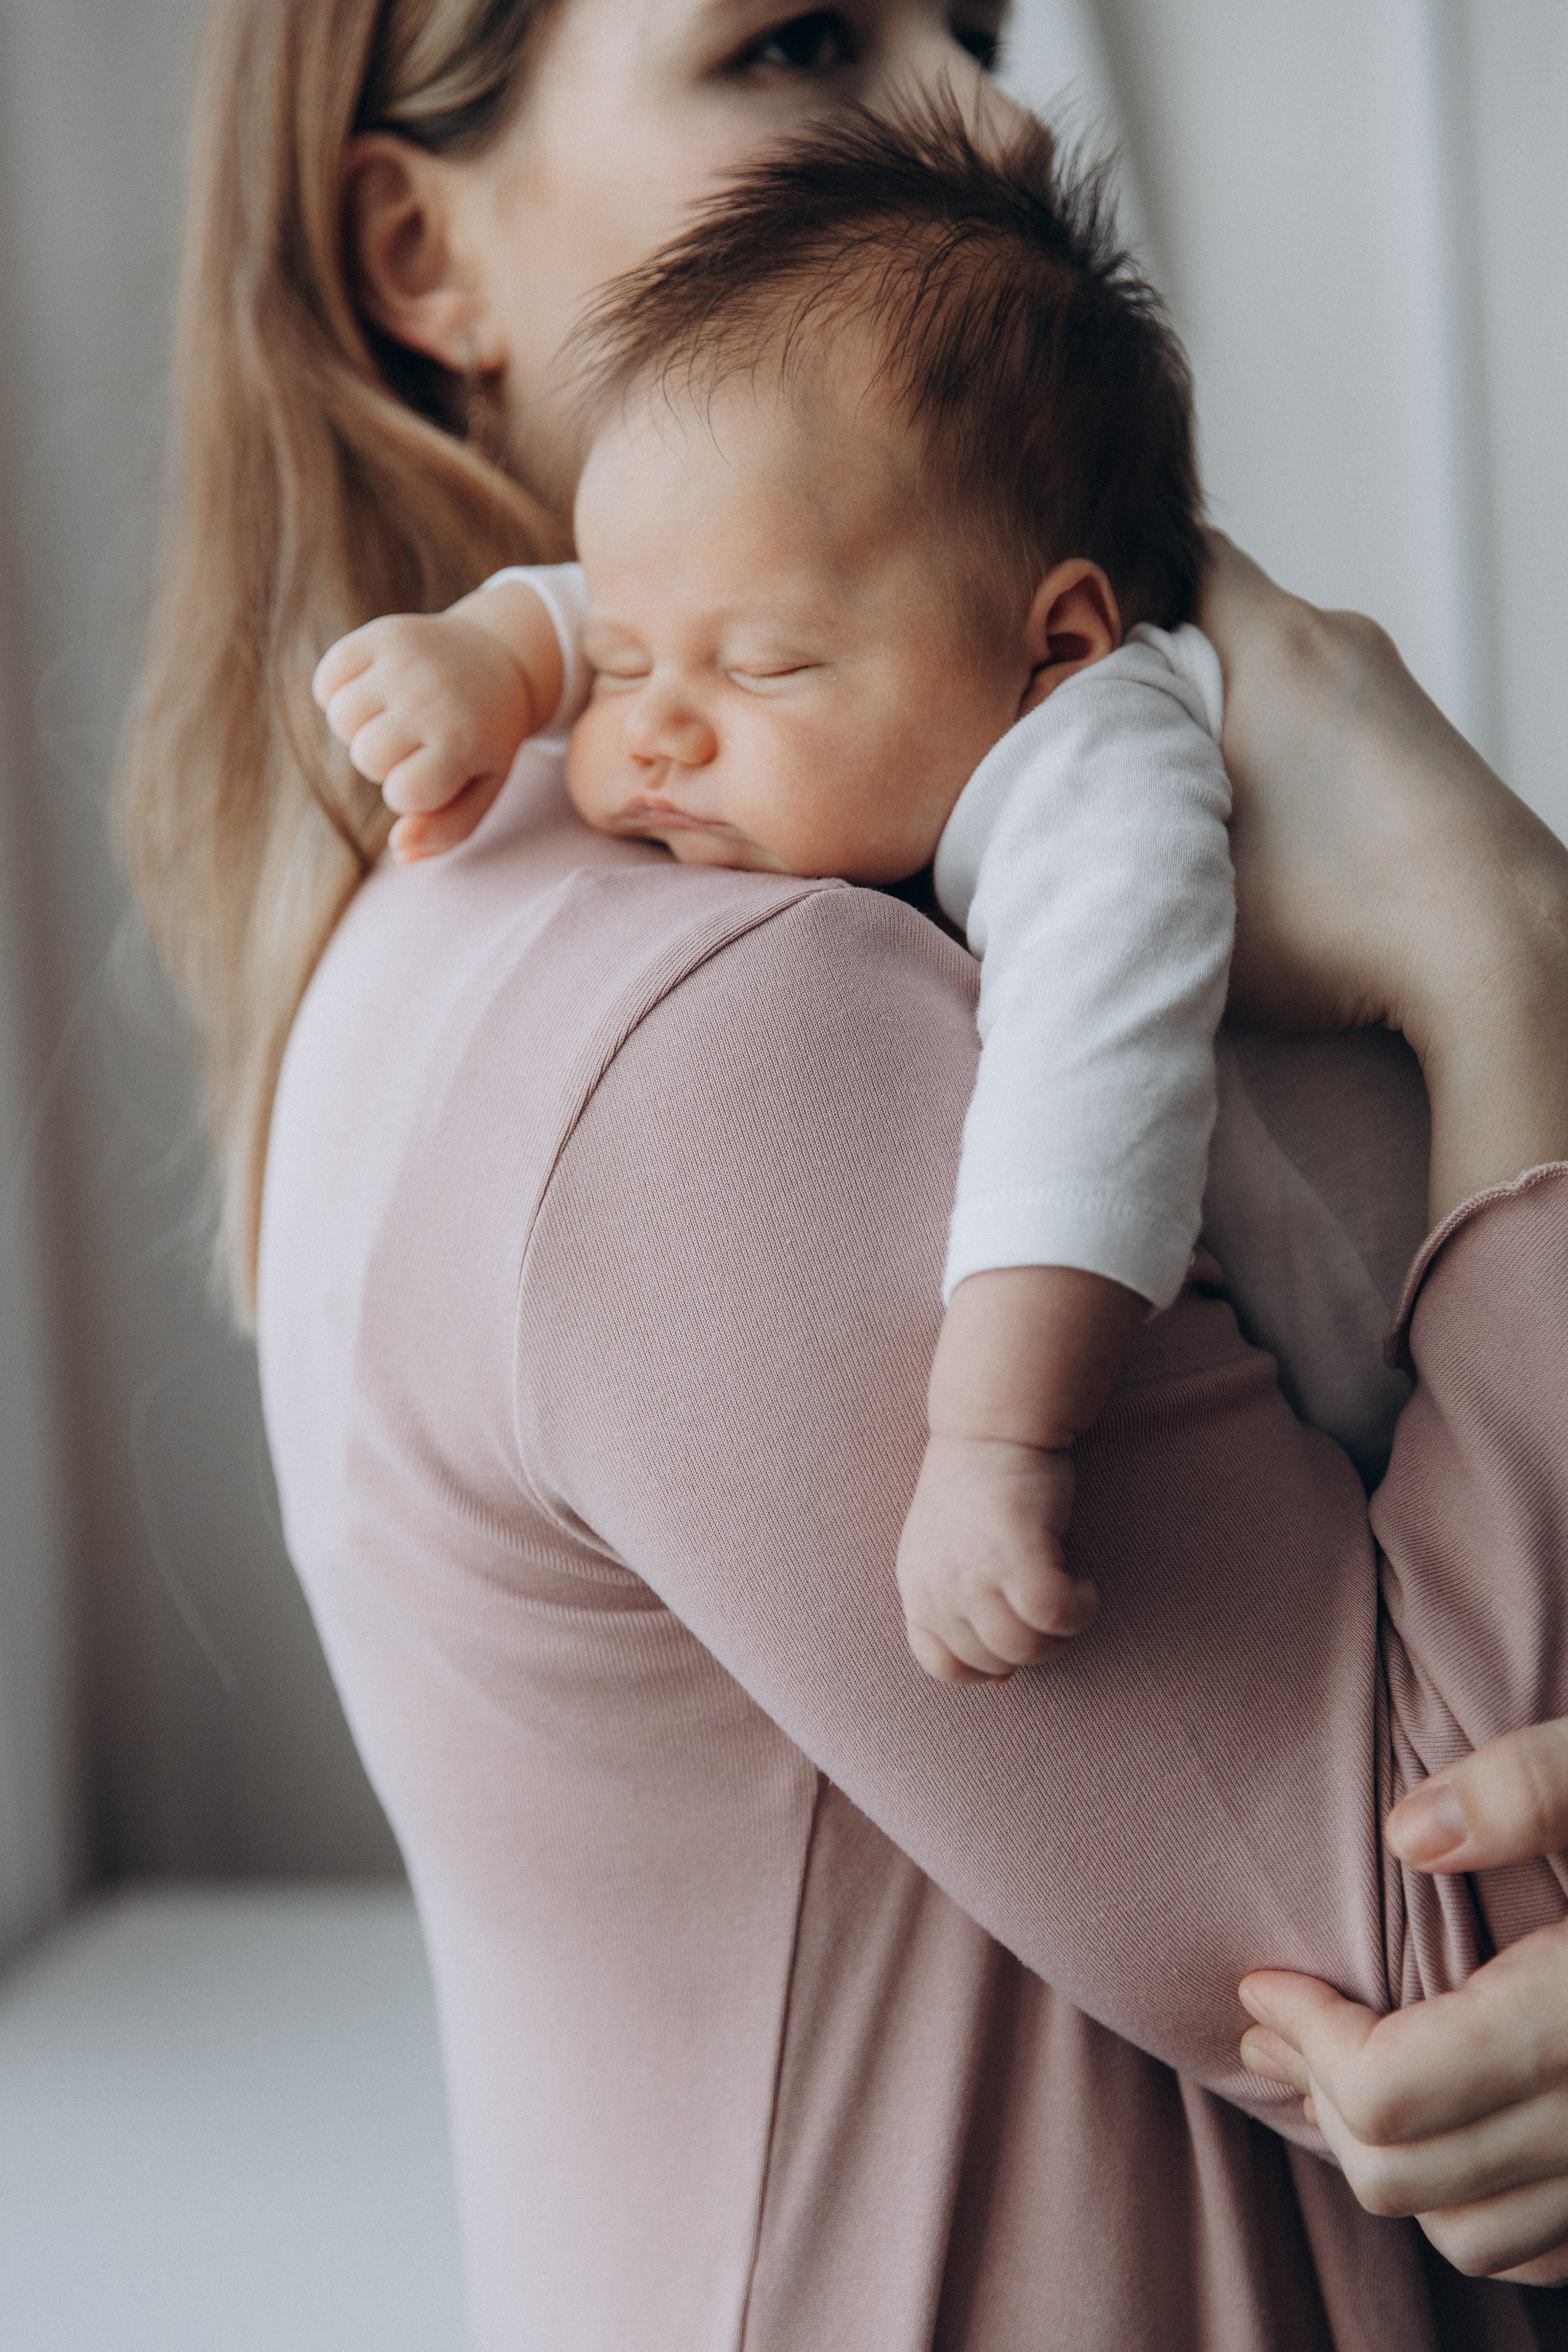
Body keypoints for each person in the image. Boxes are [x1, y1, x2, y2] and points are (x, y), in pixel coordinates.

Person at [118, 2, 1568, 2342]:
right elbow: (1462, 1949)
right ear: (422, 254)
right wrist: (1516, 962)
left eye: (978, 27)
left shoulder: (521, 910)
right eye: (794, 41)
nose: (992, 113)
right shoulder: (720, 1026)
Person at [312, 105, 1237, 1683]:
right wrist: (496, 657)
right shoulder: (831, 629)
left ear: (1058, 644)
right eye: (618, 669)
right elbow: (652, 588)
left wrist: (997, 1440)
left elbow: (1092, 1095)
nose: (655, 725)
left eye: (764, 670)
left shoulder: (1106, 770)